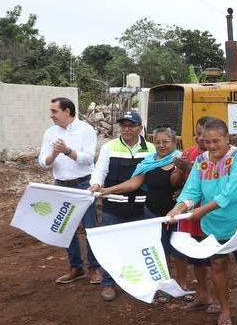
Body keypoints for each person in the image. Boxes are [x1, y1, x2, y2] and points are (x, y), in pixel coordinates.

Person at [166, 117, 237, 325]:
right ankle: (225, 309)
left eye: (216, 141)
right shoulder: (201, 160)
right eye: (207, 142)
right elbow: (192, 190)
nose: (211, 146)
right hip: (214, 226)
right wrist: (179, 208)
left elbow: (231, 192)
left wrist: (201, 211)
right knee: (218, 266)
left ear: (227, 138)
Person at [97, 126, 182, 302]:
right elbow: (134, 183)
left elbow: (187, 183)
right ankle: (161, 286)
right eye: (158, 142)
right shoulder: (149, 161)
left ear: (174, 142)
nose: (161, 145)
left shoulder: (181, 161)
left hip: (175, 215)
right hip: (151, 214)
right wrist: (107, 190)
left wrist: (182, 178)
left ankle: (180, 286)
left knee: (179, 252)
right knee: (157, 251)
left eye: (165, 142)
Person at [89, 110, 155, 301]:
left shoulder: (151, 149)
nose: (126, 129)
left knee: (141, 247)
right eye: (123, 125)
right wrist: (96, 184)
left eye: (131, 125)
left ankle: (138, 282)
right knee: (111, 246)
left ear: (140, 128)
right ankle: (108, 283)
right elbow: (100, 170)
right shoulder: (110, 147)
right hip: (114, 208)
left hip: (142, 208)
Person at [38, 97, 101, 285]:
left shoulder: (86, 130)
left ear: (67, 111)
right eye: (51, 111)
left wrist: (66, 151)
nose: (51, 116)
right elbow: (42, 161)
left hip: (84, 186)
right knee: (65, 228)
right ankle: (76, 267)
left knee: (90, 227)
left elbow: (88, 159)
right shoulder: (50, 133)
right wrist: (54, 154)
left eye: (54, 111)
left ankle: (94, 268)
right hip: (61, 186)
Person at [172, 116, 217, 313]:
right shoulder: (189, 152)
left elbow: (210, 179)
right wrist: (179, 171)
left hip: (211, 213)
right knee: (196, 257)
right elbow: (175, 182)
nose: (200, 138)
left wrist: (187, 168)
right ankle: (203, 295)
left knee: (216, 258)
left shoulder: (219, 156)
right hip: (191, 213)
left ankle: (218, 299)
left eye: (204, 134)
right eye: (197, 134)